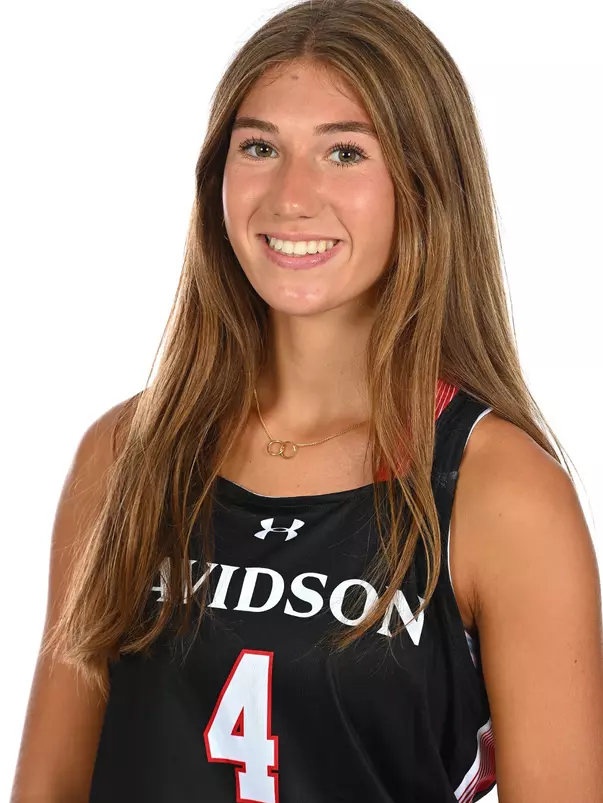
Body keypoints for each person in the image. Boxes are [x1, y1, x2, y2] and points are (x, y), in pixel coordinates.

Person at [11, 0, 603, 801]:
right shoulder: (125, 455)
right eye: (259, 146)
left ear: (425, 182)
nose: (291, 196)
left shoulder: (501, 491)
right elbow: (49, 785)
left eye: (344, 152)